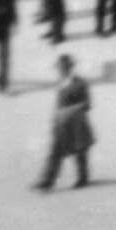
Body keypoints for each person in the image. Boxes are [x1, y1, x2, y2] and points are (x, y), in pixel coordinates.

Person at [38, 57, 97, 190]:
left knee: (80, 150)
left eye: (63, 68)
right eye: (59, 68)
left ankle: (83, 178)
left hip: (77, 123)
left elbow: (87, 104)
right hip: (61, 124)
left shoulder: (80, 83)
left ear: (69, 68)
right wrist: (55, 120)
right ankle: (47, 181)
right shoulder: (61, 83)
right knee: (55, 151)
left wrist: (71, 110)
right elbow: (58, 105)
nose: (60, 71)